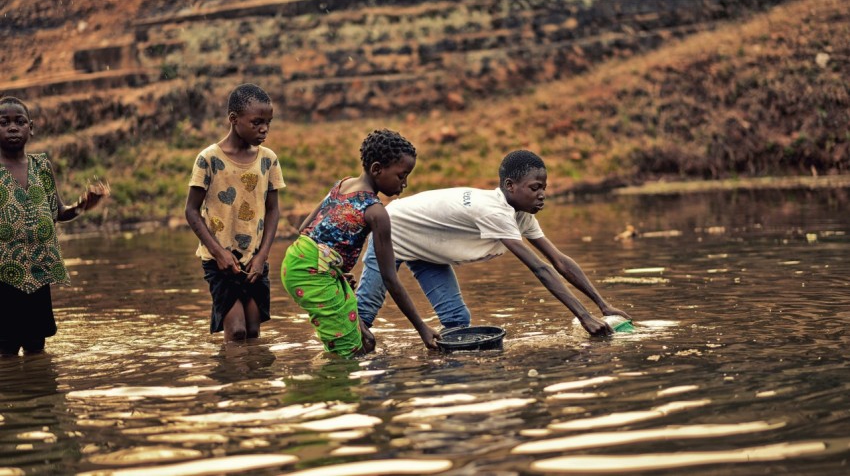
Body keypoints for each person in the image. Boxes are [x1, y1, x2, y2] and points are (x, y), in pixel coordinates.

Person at [356, 149, 633, 336]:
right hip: (393, 231)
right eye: (535, 188)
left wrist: (603, 305)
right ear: (510, 186)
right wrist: (584, 317)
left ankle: (446, 382)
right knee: (363, 315)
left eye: (544, 189)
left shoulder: (520, 215)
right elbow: (540, 268)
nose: (542, 196)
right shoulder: (494, 210)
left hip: (430, 247)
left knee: (457, 322)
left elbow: (559, 261)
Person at [281, 129, 440, 358]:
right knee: (348, 352)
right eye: (401, 175)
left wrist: (331, 267)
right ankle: (323, 390)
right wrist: (422, 328)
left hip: (300, 259)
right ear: (376, 169)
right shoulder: (376, 212)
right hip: (311, 272)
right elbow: (389, 278)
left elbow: (305, 228)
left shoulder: (342, 184)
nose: (404, 184)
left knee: (366, 341)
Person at [0, 96, 109, 357]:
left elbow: (58, 211)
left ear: (32, 128)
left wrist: (83, 204)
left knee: (37, 345)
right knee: (5, 349)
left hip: (38, 273)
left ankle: (41, 394)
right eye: (4, 122)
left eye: (20, 121)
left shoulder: (41, 167)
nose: (13, 127)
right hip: (3, 276)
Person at [185, 83, 284, 343]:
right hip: (219, 261)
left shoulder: (268, 159)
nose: (264, 129)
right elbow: (191, 211)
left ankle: (250, 384)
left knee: (253, 331)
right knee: (237, 331)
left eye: (268, 122)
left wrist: (262, 256)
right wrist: (219, 253)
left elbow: (273, 210)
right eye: (257, 122)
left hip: (254, 260)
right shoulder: (208, 159)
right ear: (233, 119)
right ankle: (233, 382)